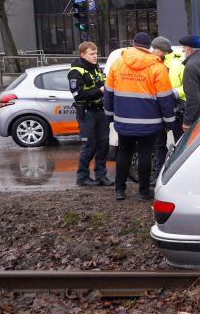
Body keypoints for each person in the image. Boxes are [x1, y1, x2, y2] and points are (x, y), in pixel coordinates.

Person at [104, 32, 175, 201]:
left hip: (123, 120)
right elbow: (165, 99)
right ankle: (143, 192)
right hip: (149, 121)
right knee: (145, 154)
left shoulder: (118, 63)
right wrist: (169, 122)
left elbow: (108, 94)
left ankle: (119, 190)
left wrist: (109, 116)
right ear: (149, 46)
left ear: (133, 44)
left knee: (123, 153)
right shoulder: (157, 67)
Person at [68, 41, 112, 187]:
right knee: (89, 145)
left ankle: (101, 175)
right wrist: (100, 91)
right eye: (91, 54)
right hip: (87, 114)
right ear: (82, 55)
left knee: (103, 145)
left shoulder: (96, 69)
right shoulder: (76, 72)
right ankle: (82, 177)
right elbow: (78, 95)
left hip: (100, 112)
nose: (95, 56)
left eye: (96, 53)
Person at [150, 36, 185, 170]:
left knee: (179, 143)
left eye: (155, 49)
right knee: (159, 144)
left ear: (163, 51)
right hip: (157, 110)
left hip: (175, 109)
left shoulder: (178, 63)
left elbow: (187, 87)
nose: (152, 51)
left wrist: (174, 93)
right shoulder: (153, 64)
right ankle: (160, 173)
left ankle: (178, 172)